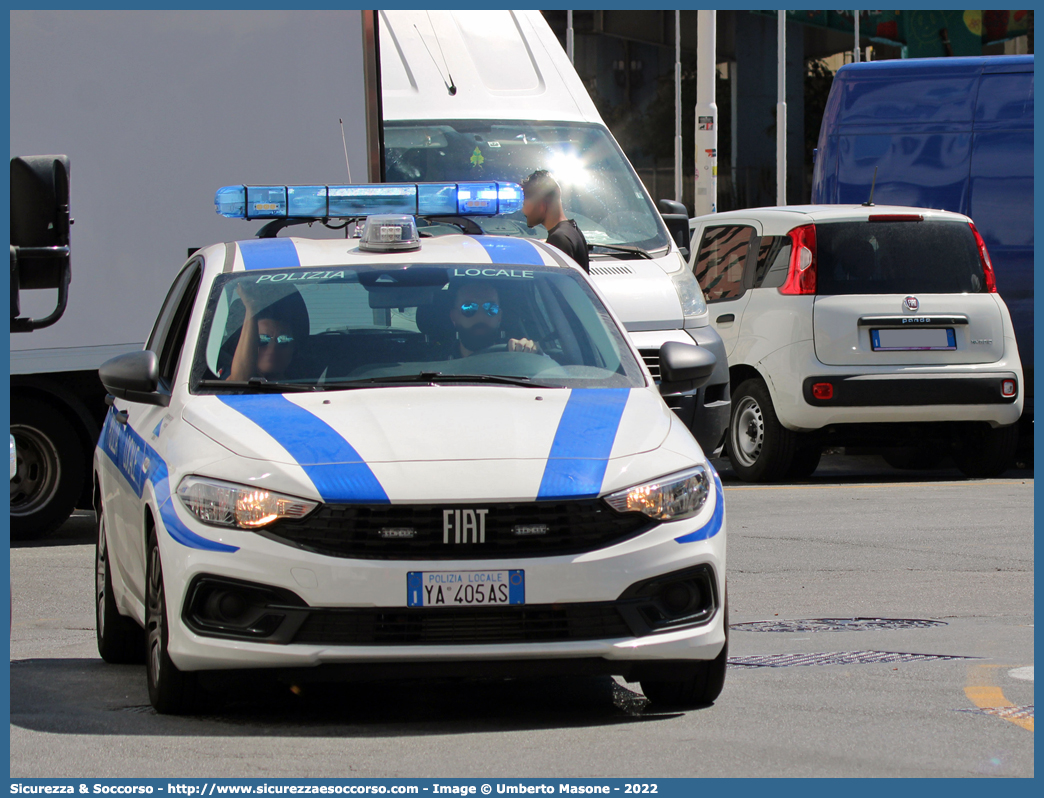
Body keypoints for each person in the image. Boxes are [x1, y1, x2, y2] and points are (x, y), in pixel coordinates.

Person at [227, 285, 308, 382]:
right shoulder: (220, 389)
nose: (273, 348)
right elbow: (239, 381)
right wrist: (251, 309)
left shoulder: (310, 391)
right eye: (262, 340)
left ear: (294, 348)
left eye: (283, 340)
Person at [448, 281, 540, 358]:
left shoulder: (516, 355)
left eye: (490, 308)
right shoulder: (437, 360)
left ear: (499, 316)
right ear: (454, 316)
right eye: (469, 308)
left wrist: (532, 351)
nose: (481, 316)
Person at [521, 169, 589, 272]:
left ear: (541, 204)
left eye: (524, 204)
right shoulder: (572, 230)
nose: (523, 211)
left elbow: (559, 286)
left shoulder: (558, 239)